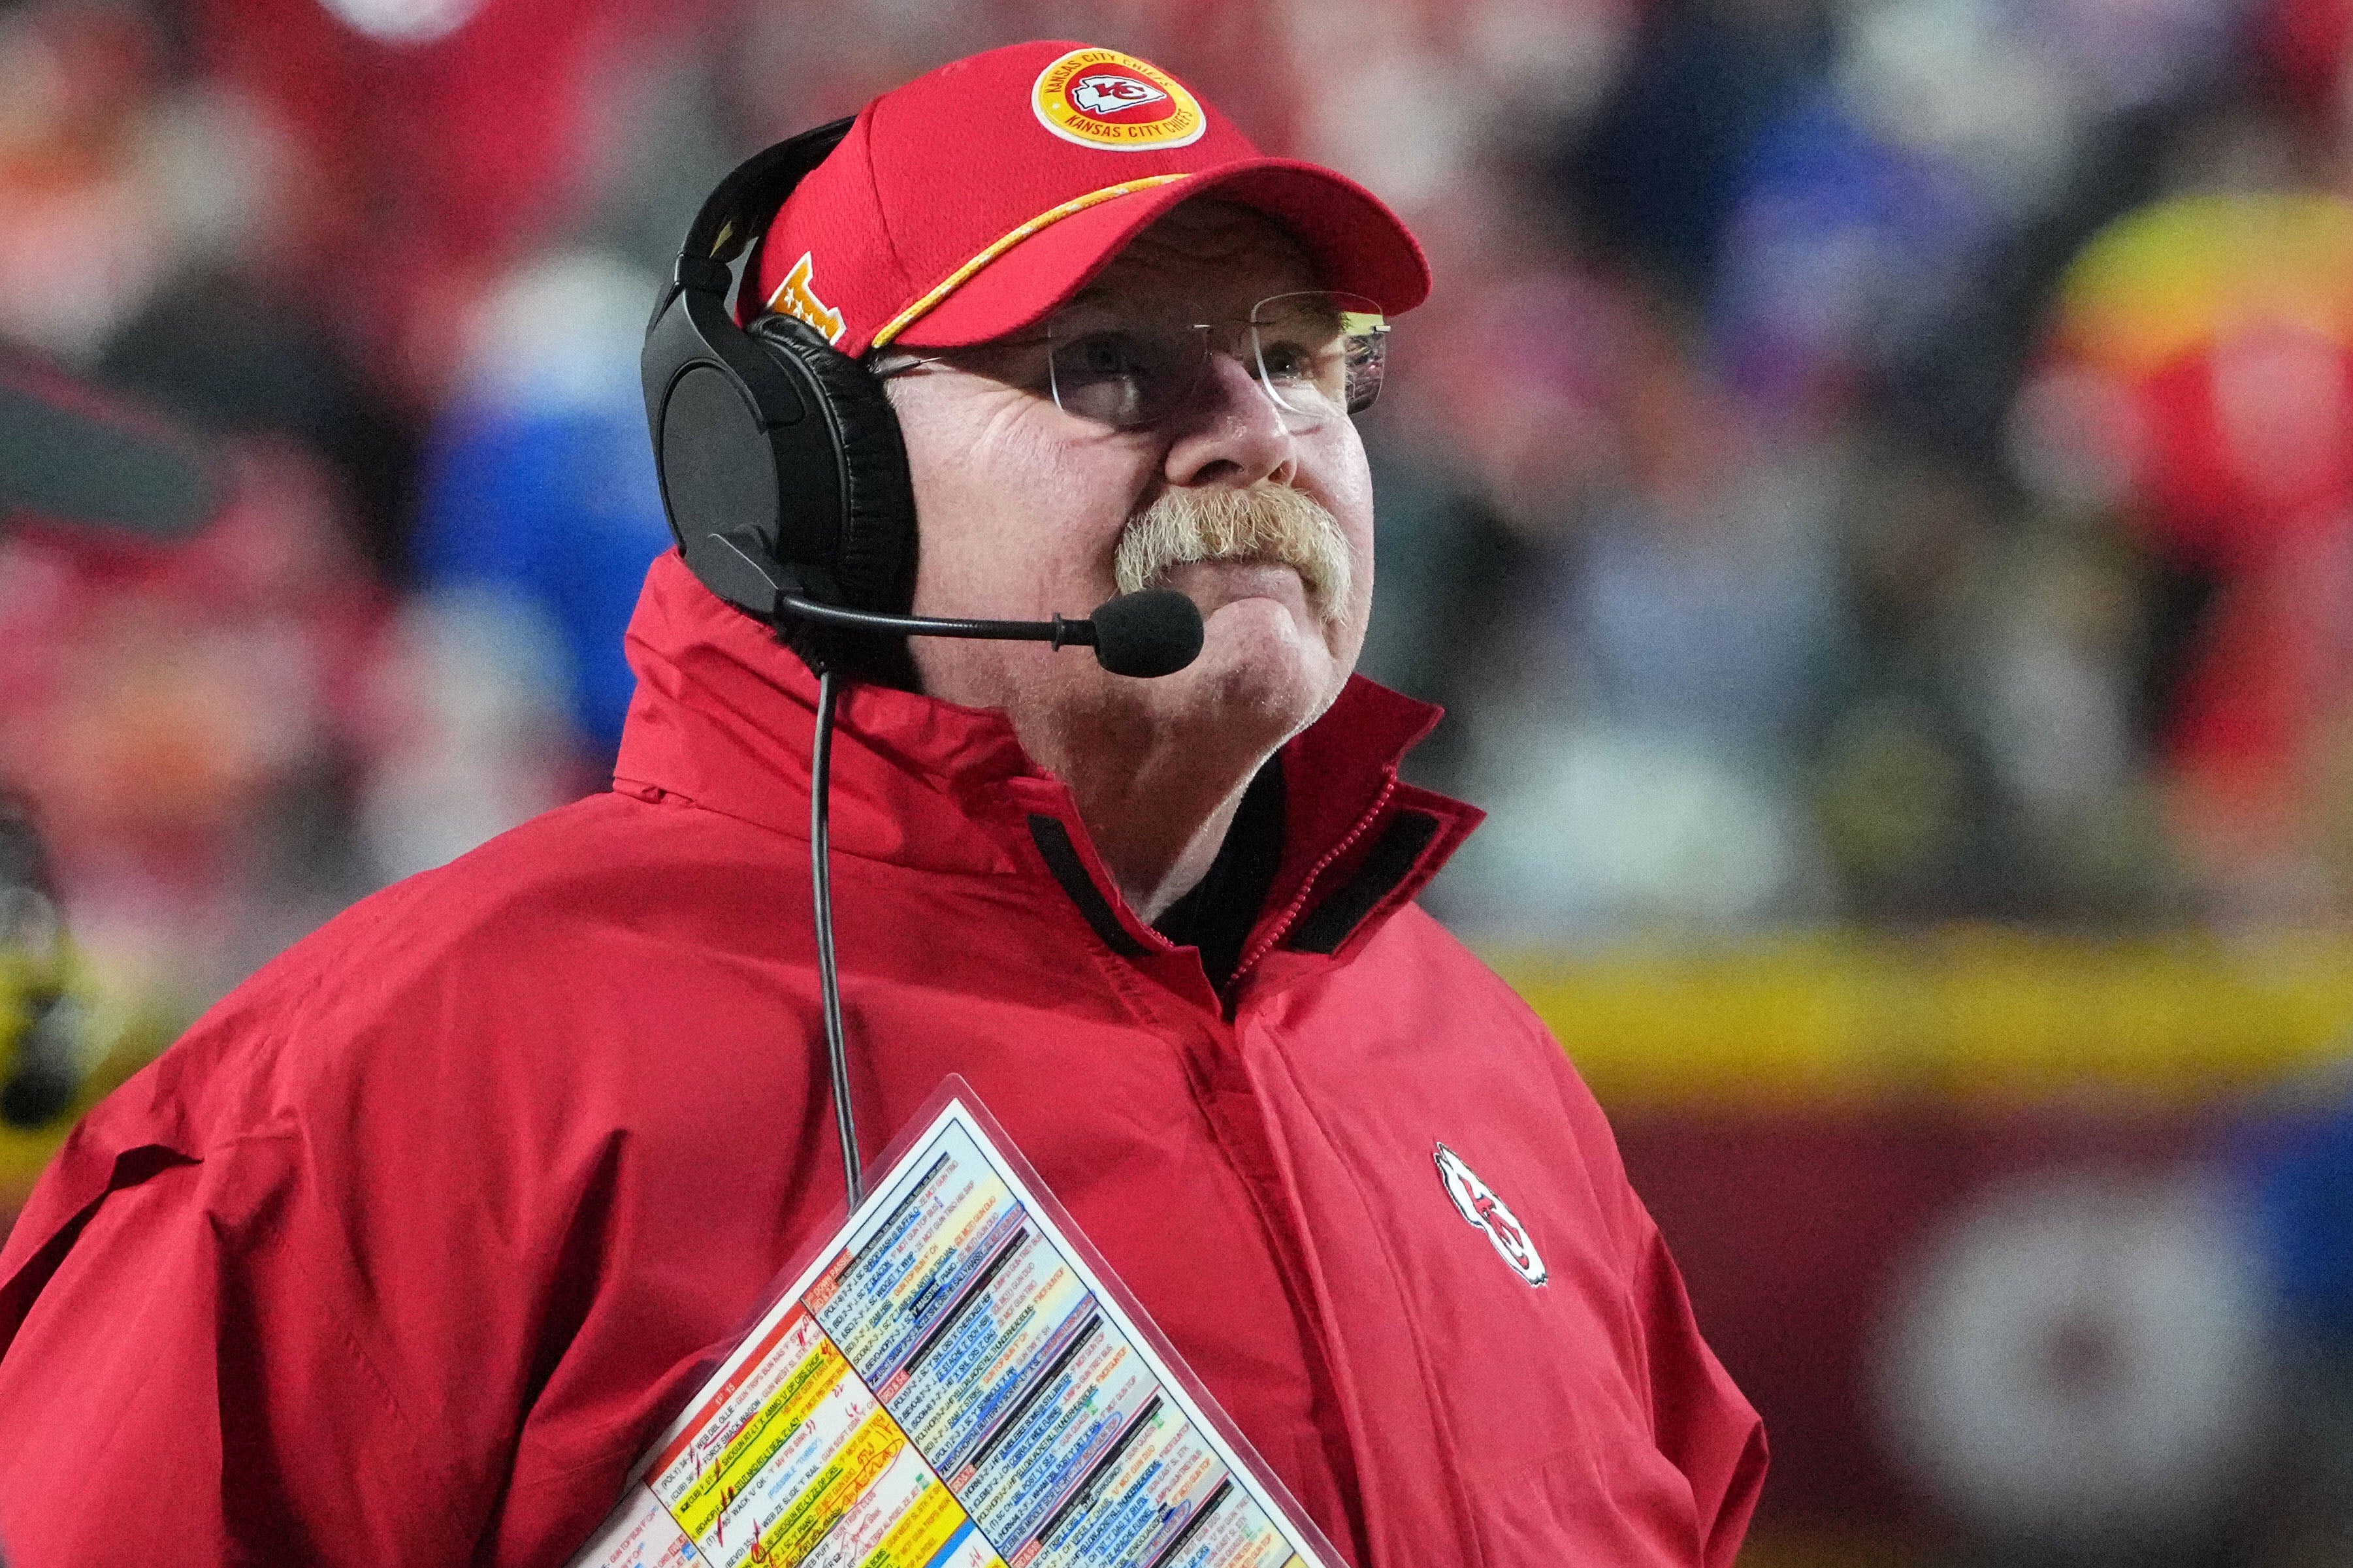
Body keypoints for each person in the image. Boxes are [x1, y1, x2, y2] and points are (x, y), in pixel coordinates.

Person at [0, 40, 1764, 1567]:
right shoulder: (412, 1080)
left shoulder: (1490, 1084)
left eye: (1301, 359)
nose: (1261, 434)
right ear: (806, 477)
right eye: (1108, 364)